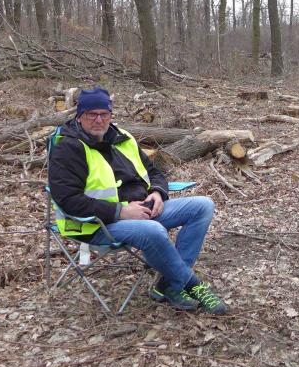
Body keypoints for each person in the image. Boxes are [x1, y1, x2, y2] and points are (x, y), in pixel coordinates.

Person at [48, 87, 229, 314]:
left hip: (143, 210)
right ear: (79, 116)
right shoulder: (68, 148)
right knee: (153, 230)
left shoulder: (122, 138)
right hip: (95, 224)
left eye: (104, 114)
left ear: (110, 115)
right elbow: (68, 200)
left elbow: (154, 172)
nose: (98, 120)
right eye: (91, 114)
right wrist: (120, 212)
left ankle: (169, 284)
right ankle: (193, 285)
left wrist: (158, 193)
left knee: (203, 206)